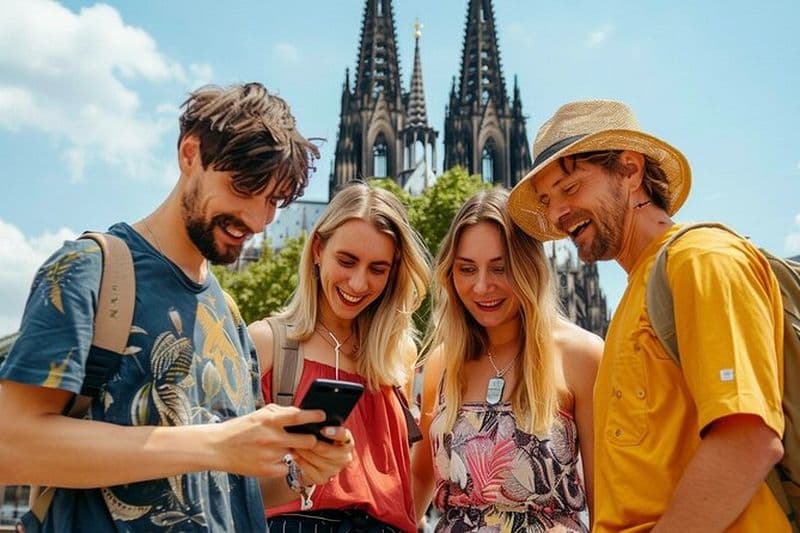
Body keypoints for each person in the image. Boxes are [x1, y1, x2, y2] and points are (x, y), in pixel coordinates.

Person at [0, 83, 355, 532]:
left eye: (273, 201)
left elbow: (221, 485)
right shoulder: (90, 269)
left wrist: (299, 470)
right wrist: (216, 443)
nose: (258, 219)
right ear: (190, 154)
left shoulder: (228, 312)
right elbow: (10, 446)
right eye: (243, 187)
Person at [508, 99, 789, 531]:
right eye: (547, 200)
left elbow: (747, 441)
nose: (556, 213)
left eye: (570, 188)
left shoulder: (702, 259)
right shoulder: (636, 294)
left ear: (631, 171)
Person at [412, 188, 602, 532]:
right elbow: (417, 484)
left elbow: (606, 497)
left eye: (500, 268)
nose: (482, 286)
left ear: (528, 267)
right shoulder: (442, 363)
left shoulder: (581, 355)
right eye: (467, 269)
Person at [249, 182, 431, 532]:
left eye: (378, 269)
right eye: (346, 261)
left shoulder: (399, 357)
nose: (359, 283)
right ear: (318, 249)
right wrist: (298, 473)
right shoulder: (268, 343)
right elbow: (228, 488)